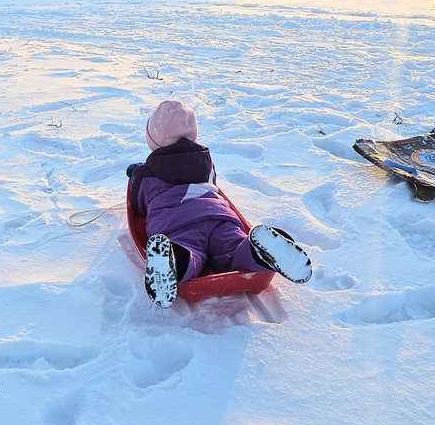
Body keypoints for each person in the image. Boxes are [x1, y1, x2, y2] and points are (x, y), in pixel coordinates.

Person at [128, 100, 312, 308]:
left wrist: (136, 176)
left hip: (178, 222)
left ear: (153, 138)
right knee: (233, 249)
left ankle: (175, 259)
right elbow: (213, 184)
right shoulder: (206, 162)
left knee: (190, 251)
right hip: (219, 215)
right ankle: (257, 252)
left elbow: (138, 206)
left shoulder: (146, 174)